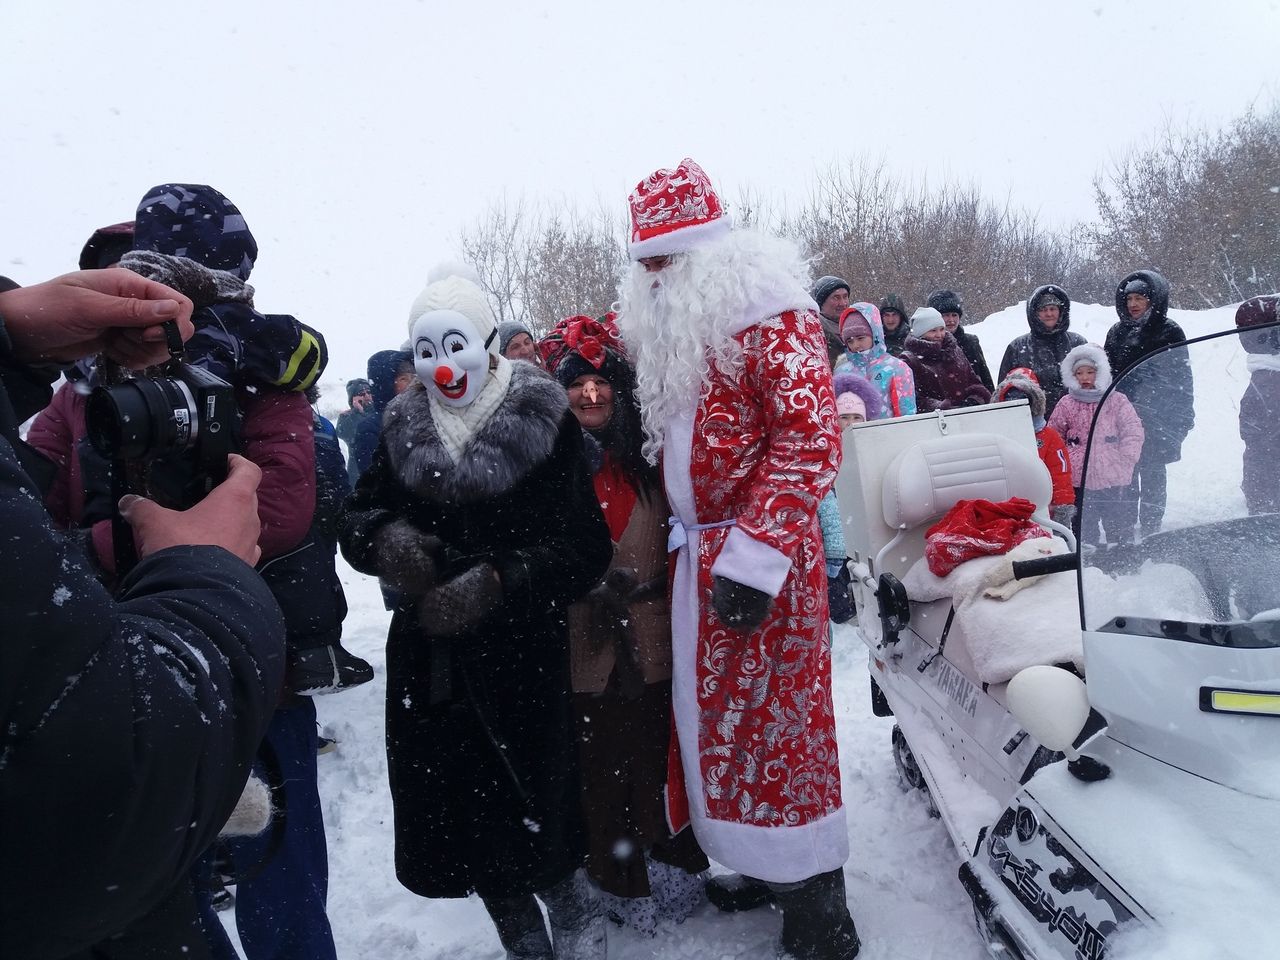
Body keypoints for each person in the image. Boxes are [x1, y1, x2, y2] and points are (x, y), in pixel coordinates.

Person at [0, 269, 283, 960]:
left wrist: (9, 339)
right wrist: (207, 577)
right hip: (102, 906)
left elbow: (291, 505)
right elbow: (104, 779)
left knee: (282, 881)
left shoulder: (266, 380)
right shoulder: (73, 408)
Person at [617, 158, 859, 960]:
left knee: (785, 729)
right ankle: (763, 862)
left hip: (767, 563)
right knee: (726, 728)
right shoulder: (685, 329)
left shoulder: (771, 315)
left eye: (666, 259)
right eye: (643, 259)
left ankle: (820, 899)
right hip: (705, 561)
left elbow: (810, 438)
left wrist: (753, 557)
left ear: (706, 253)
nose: (652, 274)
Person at [340, 272, 613, 960]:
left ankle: (577, 928)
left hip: (520, 654)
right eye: (424, 351)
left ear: (489, 344)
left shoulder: (543, 420)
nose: (440, 369)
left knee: (539, 816)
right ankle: (524, 944)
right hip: (432, 661)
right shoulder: (401, 422)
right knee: (471, 829)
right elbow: (356, 513)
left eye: (454, 346)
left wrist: (501, 576)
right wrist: (385, 540)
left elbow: (584, 549)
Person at [539, 313, 709, 937]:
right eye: (576, 383)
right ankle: (614, 881)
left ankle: (673, 869)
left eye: (601, 382)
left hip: (655, 634)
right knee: (596, 765)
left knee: (658, 757)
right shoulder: (546, 466)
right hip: (582, 639)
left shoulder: (654, 458)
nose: (590, 393)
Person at [1104, 270, 1193, 539]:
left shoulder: (1169, 331)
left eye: (1139, 298)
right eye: (1129, 298)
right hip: (1125, 416)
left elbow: (1181, 377)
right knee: (1126, 474)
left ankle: (1152, 527)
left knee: (1154, 472)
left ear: (1153, 300)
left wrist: (1182, 414)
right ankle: (1127, 525)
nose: (1133, 304)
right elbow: (1108, 374)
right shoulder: (1117, 332)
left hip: (1158, 415)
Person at [1047, 345, 1144, 545]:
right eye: (1079, 373)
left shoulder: (1116, 401)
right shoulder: (1067, 403)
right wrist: (1065, 460)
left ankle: (1121, 558)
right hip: (1079, 477)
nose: (1085, 378)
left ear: (1100, 373)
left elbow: (1133, 429)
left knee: (1117, 521)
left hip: (1113, 474)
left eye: (1090, 372)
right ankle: (1088, 562)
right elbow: (1054, 435)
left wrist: (1126, 457)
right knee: (1084, 525)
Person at [994, 368, 1075, 527]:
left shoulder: (1049, 437)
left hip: (1043, 514)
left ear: (1034, 401)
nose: (1016, 405)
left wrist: (1061, 511)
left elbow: (1060, 475)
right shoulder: (995, 436)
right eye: (1010, 401)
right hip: (1004, 512)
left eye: (1022, 400)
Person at [997, 284, 1087, 417]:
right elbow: (1003, 392)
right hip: (1034, 423)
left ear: (1061, 311)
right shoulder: (1017, 347)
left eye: (1053, 308)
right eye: (1043, 309)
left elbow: (1094, 383)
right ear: (1034, 313)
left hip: (1076, 421)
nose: (1049, 314)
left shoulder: (1077, 343)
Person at [1235, 296, 1280, 514]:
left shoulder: (1263, 379)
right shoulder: (1269, 381)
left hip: (1263, 484)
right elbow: (1254, 436)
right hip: (1268, 490)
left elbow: (1250, 431)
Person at [833, 301, 916, 418]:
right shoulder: (841, 372)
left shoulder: (897, 368)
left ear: (875, 334)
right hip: (854, 434)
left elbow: (907, 415)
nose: (856, 345)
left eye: (861, 338)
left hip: (889, 433)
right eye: (850, 341)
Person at [900, 306, 992, 411]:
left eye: (942, 329)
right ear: (920, 333)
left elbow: (974, 383)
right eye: (933, 330)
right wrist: (940, 407)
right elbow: (912, 399)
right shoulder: (909, 360)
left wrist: (973, 400)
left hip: (967, 419)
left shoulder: (954, 351)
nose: (939, 335)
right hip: (931, 422)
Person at [351, 347, 414, 483]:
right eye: (404, 378)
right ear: (386, 384)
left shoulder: (421, 417)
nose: (412, 383)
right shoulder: (370, 428)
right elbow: (373, 481)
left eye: (414, 377)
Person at [927, 289, 994, 391]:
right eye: (946, 315)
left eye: (954, 315)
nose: (951, 320)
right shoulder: (924, 346)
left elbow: (985, 379)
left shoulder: (971, 343)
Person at [335, 377, 375, 485]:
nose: (367, 396)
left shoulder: (380, 412)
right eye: (361, 393)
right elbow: (347, 433)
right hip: (357, 473)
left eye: (369, 392)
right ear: (353, 398)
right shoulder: (346, 417)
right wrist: (357, 412)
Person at [812, 275, 851, 368]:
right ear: (822, 303)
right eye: (836, 298)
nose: (843, 303)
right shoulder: (815, 333)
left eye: (845, 297)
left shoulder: (858, 328)